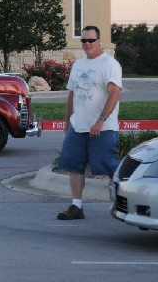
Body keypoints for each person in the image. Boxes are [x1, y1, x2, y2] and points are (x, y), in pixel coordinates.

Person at [56, 25, 122, 220]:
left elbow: (115, 93)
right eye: (84, 40)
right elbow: (72, 93)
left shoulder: (109, 64)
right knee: (74, 166)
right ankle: (76, 206)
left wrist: (100, 121)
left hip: (102, 128)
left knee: (109, 167)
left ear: (99, 41)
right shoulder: (78, 65)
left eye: (91, 40)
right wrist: (68, 119)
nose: (87, 44)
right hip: (78, 126)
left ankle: (123, 203)